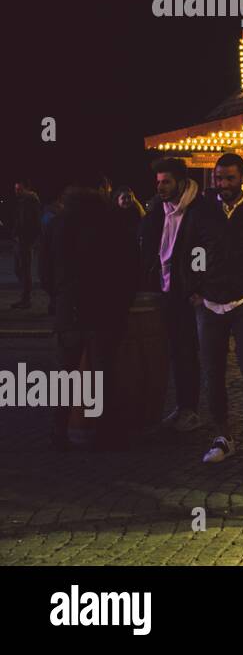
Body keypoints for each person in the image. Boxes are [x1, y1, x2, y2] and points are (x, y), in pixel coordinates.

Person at [183, 153, 243, 464]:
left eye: (229, 178)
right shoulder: (202, 213)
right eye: (218, 178)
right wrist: (195, 289)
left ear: (242, 179)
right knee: (213, 369)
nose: (222, 184)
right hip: (209, 301)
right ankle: (222, 433)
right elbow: (191, 250)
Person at [38, 174, 138, 450]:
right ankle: (105, 432)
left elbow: (44, 272)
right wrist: (122, 303)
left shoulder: (57, 223)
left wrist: (59, 297)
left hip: (69, 310)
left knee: (66, 375)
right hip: (105, 311)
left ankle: (58, 432)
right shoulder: (112, 222)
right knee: (103, 374)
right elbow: (130, 269)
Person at [138, 158, 203, 432]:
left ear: (181, 182)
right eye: (158, 182)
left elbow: (206, 250)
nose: (161, 187)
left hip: (187, 293)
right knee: (173, 350)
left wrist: (199, 287)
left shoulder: (199, 210)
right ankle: (180, 406)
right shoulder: (157, 209)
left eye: (166, 182)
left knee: (188, 350)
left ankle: (191, 409)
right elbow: (148, 247)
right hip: (163, 289)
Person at [9, 179, 42, 309]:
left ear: (26, 188)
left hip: (25, 240)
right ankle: (25, 296)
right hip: (19, 240)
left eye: (19, 189)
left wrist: (29, 239)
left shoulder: (31, 200)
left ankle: (26, 298)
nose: (16, 191)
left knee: (24, 269)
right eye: (15, 189)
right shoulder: (21, 201)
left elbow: (34, 223)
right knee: (18, 269)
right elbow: (19, 220)